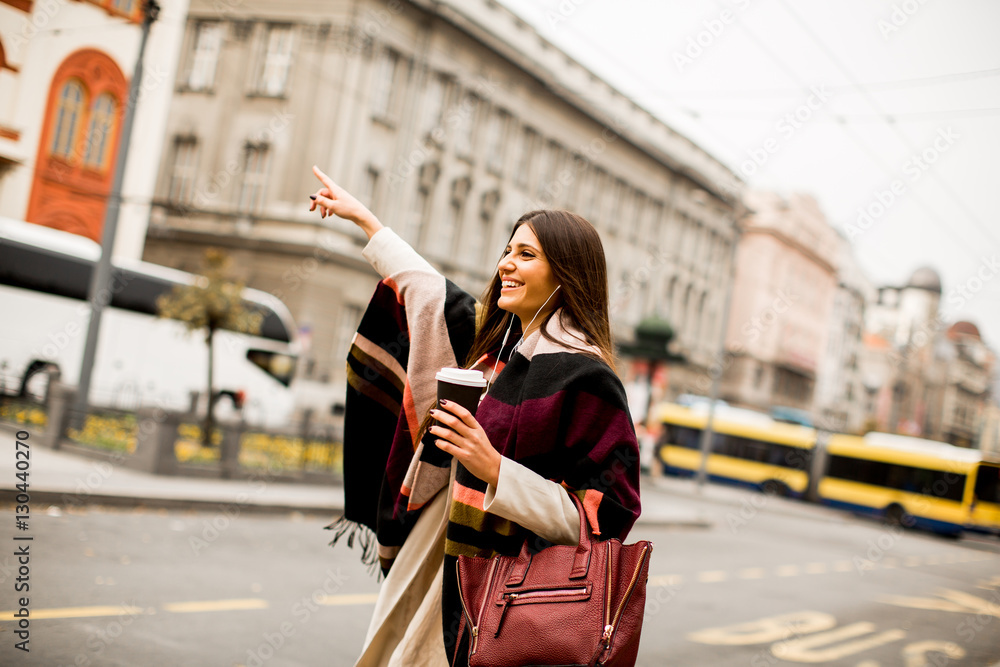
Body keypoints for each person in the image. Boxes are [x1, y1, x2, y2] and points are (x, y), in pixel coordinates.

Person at [309, 165, 642, 667]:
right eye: (507, 250)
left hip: (499, 588)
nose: (506, 263)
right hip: (433, 558)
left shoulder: (586, 378)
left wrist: (493, 468)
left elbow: (604, 518)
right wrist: (364, 220)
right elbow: (427, 290)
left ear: (567, 274)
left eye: (526, 255)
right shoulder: (493, 349)